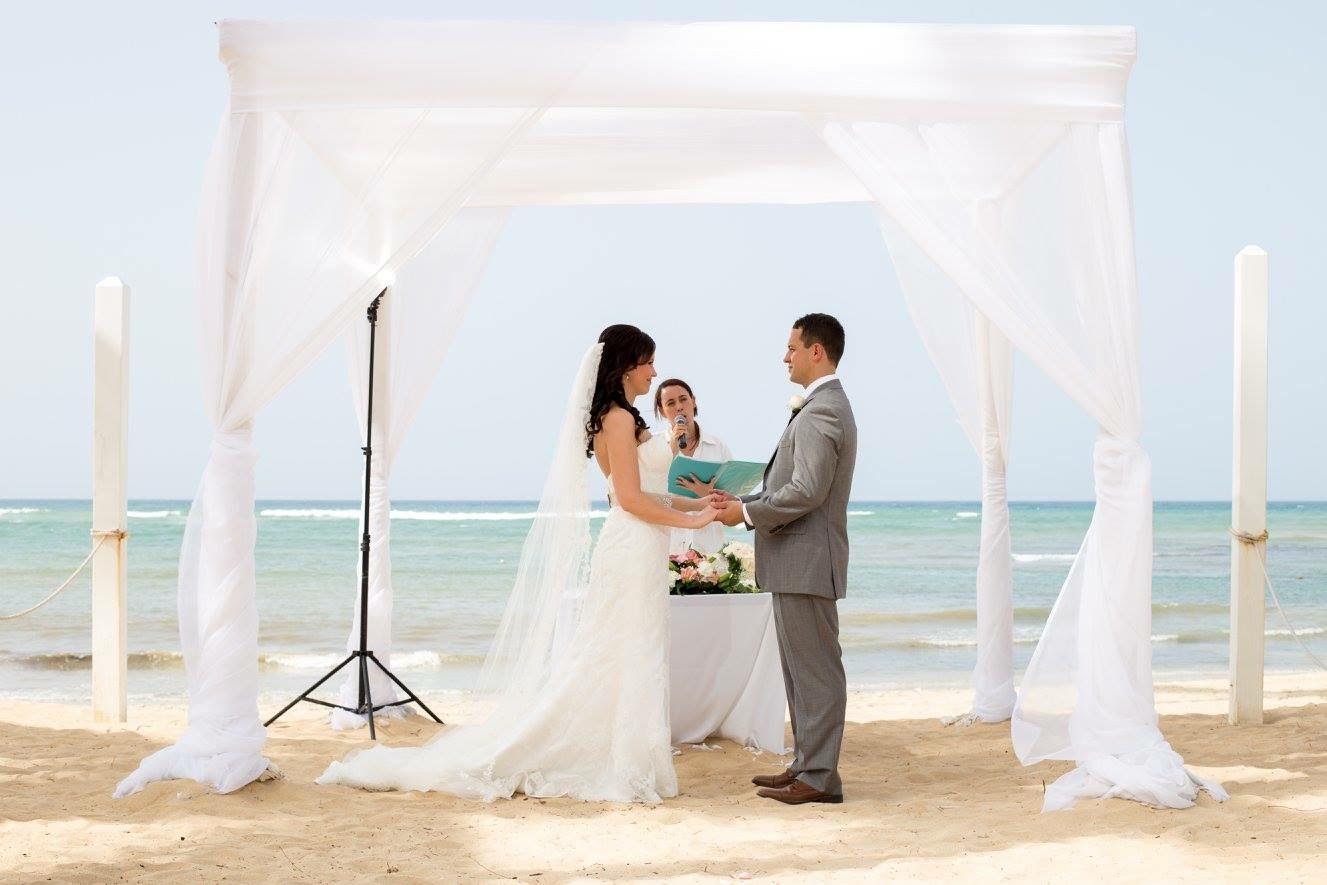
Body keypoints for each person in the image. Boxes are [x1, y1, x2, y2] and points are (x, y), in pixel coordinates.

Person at [318, 325, 720, 803]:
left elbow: (637, 492)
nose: (654, 371)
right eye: (648, 362)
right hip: (632, 545)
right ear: (626, 364)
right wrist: (691, 524)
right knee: (628, 651)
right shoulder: (614, 419)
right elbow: (629, 499)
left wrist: (700, 505)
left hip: (637, 545)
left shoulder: (621, 417)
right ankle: (622, 761)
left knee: (634, 651)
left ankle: (633, 756)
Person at [714, 313, 857, 805]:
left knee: (815, 670)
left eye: (792, 347)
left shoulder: (822, 411)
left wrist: (747, 514)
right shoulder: (820, 406)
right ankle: (806, 765)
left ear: (817, 351)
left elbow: (806, 491)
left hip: (808, 559)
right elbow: (788, 484)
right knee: (800, 669)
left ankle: (819, 778)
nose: (785, 355)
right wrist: (738, 502)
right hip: (798, 560)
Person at [655, 378, 734, 555]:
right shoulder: (655, 447)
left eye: (683, 399)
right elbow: (648, 499)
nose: (679, 407)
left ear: (693, 401)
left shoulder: (717, 447)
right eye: (670, 403)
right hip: (668, 551)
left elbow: (734, 506)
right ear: (662, 410)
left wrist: (708, 495)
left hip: (710, 553)